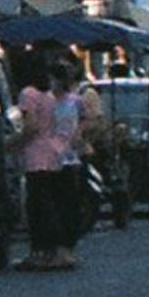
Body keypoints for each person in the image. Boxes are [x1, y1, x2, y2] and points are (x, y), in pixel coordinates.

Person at [15, 48, 97, 272]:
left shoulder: (31, 95)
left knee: (42, 206)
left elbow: (32, 127)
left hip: (43, 155)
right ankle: (56, 251)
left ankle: (47, 251)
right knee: (59, 205)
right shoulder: (50, 98)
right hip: (57, 155)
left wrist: (13, 144)